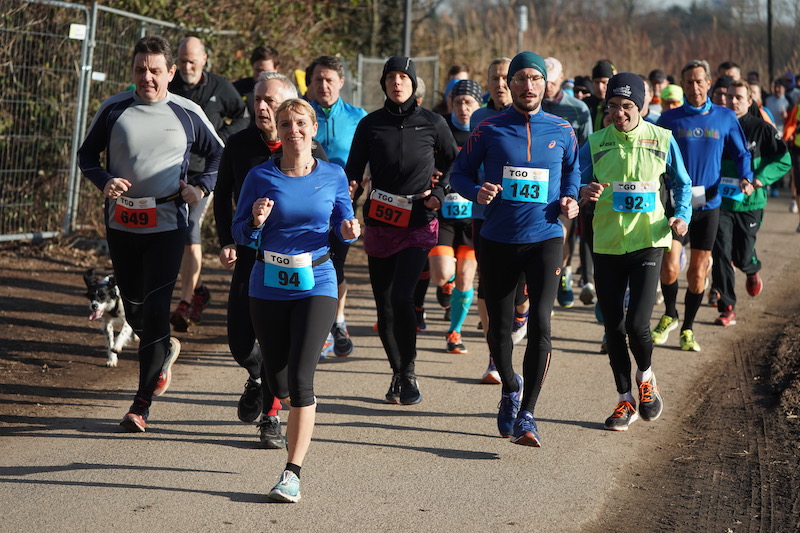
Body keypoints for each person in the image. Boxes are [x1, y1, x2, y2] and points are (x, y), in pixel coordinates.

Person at [78, 35, 224, 432]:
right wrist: (104, 180)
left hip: (167, 223)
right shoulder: (113, 108)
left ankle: (140, 404)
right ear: (133, 71)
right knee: (136, 306)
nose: (148, 78)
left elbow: (218, 154)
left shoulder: (187, 111)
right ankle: (164, 350)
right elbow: (86, 156)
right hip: (122, 223)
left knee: (158, 310)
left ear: (171, 73)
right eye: (141, 70)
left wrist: (200, 187)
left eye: (156, 70)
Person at [231, 98, 360, 503]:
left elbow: (344, 227)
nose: (293, 130)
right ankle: (271, 388)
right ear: (279, 131)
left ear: (313, 129)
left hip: (316, 280)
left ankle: (292, 473)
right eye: (286, 124)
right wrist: (254, 221)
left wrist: (349, 229)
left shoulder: (334, 175)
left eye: (301, 123)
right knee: (279, 379)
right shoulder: (259, 176)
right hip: (267, 283)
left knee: (302, 382)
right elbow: (240, 233)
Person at [451, 51, 580, 446]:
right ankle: (510, 386)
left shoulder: (562, 128)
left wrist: (570, 198)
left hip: (545, 236)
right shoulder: (488, 128)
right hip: (498, 239)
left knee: (542, 321)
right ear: (509, 84)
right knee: (500, 328)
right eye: (520, 79)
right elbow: (460, 173)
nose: (527, 86)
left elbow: (573, 169)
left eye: (534, 79)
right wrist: (478, 191)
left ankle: (528, 415)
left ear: (545, 84)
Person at [215, 72, 329, 448]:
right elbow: (223, 196)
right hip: (252, 255)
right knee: (240, 342)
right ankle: (257, 374)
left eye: (271, 102)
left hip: (298, 267)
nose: (261, 107)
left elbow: (331, 211)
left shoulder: (316, 156)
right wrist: (227, 240)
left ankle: (270, 416)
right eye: (258, 100)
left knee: (286, 349)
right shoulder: (239, 145)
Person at [579, 73, 692, 431]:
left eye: (627, 106)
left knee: (637, 324)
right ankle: (624, 399)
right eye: (613, 106)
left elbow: (681, 183)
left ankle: (646, 377)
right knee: (612, 327)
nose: (619, 113)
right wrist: (584, 190)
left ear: (641, 106)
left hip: (649, 240)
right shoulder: (595, 142)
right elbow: (574, 180)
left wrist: (681, 216)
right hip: (608, 242)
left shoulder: (662, 138)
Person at [345, 56, 458, 405]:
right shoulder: (370, 124)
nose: (397, 83)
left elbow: (455, 160)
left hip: (419, 221)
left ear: (413, 84)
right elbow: (353, 170)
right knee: (384, 308)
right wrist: (346, 206)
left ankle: (409, 372)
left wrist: (438, 192)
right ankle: (397, 372)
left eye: (404, 78)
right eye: (391, 77)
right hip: (381, 219)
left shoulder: (432, 122)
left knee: (401, 297)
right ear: (383, 83)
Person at [654, 59, 753, 352]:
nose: (694, 87)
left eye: (699, 81)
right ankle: (670, 313)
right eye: (689, 82)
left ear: (709, 83)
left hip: (709, 204)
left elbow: (741, 153)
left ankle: (687, 328)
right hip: (676, 204)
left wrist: (746, 177)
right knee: (670, 266)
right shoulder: (670, 120)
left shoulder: (724, 117)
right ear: (682, 85)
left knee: (697, 273)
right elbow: (656, 156)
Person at [168, 36, 249, 332]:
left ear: (204, 59)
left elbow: (242, 115)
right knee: (173, 232)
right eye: (182, 61)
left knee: (190, 228)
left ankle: (186, 302)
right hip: (171, 171)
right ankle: (199, 289)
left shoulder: (219, 87)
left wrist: (221, 141)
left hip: (206, 173)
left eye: (192, 61)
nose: (187, 66)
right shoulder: (170, 84)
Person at [710, 80, 791, 325]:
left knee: (742, 256)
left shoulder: (761, 129)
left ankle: (752, 268)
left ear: (749, 101)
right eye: (729, 96)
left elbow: (783, 160)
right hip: (720, 202)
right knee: (722, 253)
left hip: (750, 203)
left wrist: (758, 180)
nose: (733, 101)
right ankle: (727, 307)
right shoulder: (715, 125)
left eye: (738, 97)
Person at [307, 56, 368, 357]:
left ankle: (337, 320)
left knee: (336, 265)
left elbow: (371, 157)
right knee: (312, 262)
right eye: (318, 79)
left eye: (329, 79)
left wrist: (362, 181)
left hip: (342, 205)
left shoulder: (358, 117)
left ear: (341, 82)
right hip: (305, 205)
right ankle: (316, 325)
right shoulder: (302, 114)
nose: (323, 85)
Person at [431, 79, 483, 354]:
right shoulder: (441, 129)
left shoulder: (484, 130)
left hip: (473, 215)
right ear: (451, 103)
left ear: (478, 105)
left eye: (469, 102)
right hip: (444, 214)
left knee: (465, 277)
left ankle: (454, 331)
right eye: (459, 102)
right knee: (441, 275)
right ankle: (446, 284)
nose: (464, 108)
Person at [542, 56, 593, 308]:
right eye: (544, 81)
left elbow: (588, 150)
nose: (548, 86)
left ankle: (560, 276)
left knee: (561, 235)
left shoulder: (578, 109)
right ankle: (548, 282)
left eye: (552, 81)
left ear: (561, 78)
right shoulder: (531, 104)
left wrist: (578, 190)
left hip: (565, 185)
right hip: (537, 185)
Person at [232, 45, 280, 125]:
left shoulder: (286, 91)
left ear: (276, 68)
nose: (261, 75)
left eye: (265, 72)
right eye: (258, 70)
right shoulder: (237, 89)